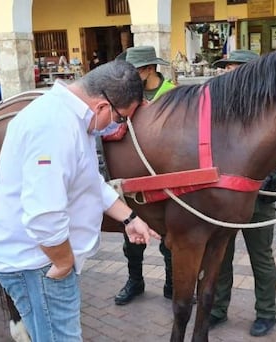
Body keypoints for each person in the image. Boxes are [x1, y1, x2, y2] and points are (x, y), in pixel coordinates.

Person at [0, 60, 161, 341]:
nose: (116, 125)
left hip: (43, 261)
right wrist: (64, 263)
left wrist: (129, 218)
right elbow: (44, 215)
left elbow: (90, 180)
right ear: (102, 106)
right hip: (38, 263)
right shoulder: (54, 127)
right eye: (119, 118)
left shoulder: (72, 119)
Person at [209, 49, 276, 337]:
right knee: (221, 255)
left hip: (258, 195)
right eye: (227, 69)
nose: (229, 74)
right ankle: (217, 308)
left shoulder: (269, 110)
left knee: (260, 256)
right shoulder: (220, 108)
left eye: (234, 69)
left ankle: (266, 313)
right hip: (224, 198)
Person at [112, 46, 176, 305]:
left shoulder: (172, 94)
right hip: (132, 173)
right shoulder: (126, 94)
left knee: (168, 237)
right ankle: (135, 281)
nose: (128, 75)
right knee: (132, 234)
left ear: (149, 69)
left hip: (164, 175)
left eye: (134, 70)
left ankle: (172, 285)